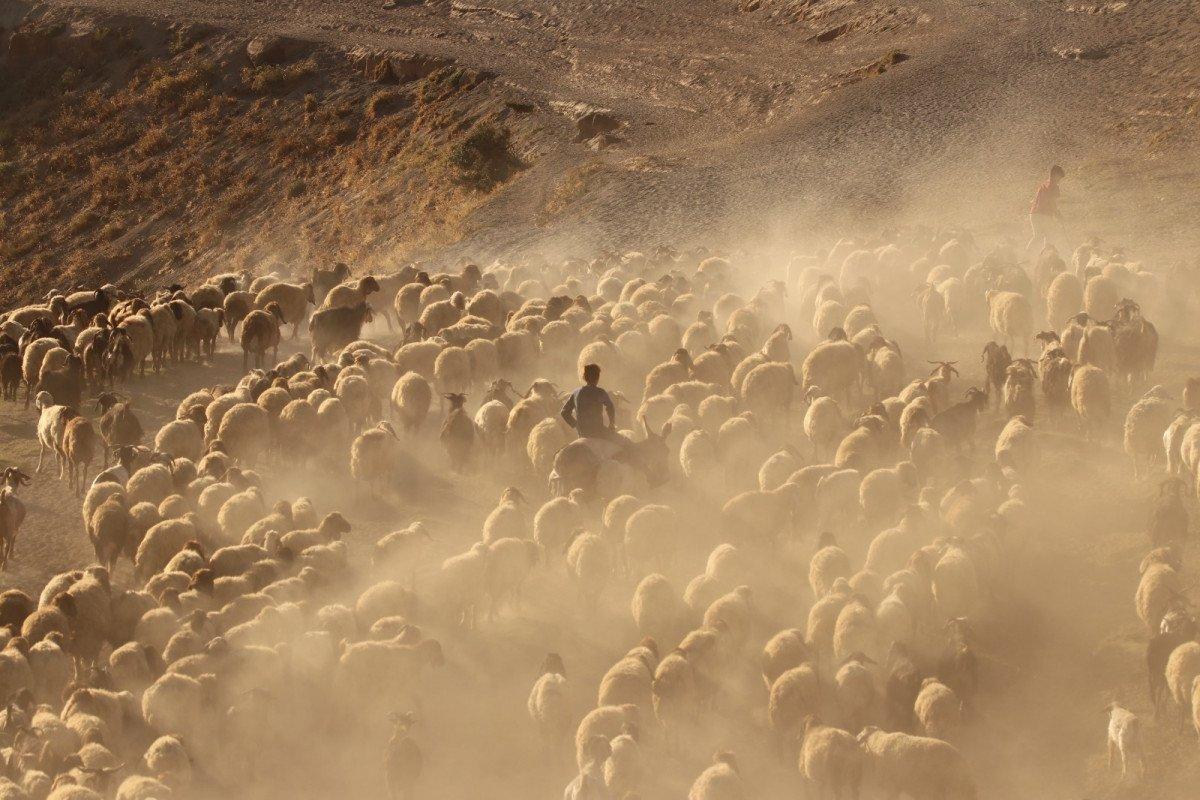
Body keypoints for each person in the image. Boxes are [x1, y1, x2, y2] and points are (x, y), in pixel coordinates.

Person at [561, 363, 618, 440]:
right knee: (624, 444)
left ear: (584, 377)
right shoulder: (600, 392)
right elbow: (610, 407)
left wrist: (576, 425)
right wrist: (611, 424)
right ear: (597, 377)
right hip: (598, 432)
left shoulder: (576, 393)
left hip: (582, 433)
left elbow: (564, 412)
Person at [1026, 165, 1065, 258]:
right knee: (1049, 234)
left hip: (1034, 213)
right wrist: (1058, 214)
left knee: (1037, 236)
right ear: (1055, 175)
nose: (1059, 180)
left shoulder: (1044, 185)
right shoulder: (1055, 187)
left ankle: (1027, 253)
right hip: (1044, 214)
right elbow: (1052, 202)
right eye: (1059, 177)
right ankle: (1045, 256)